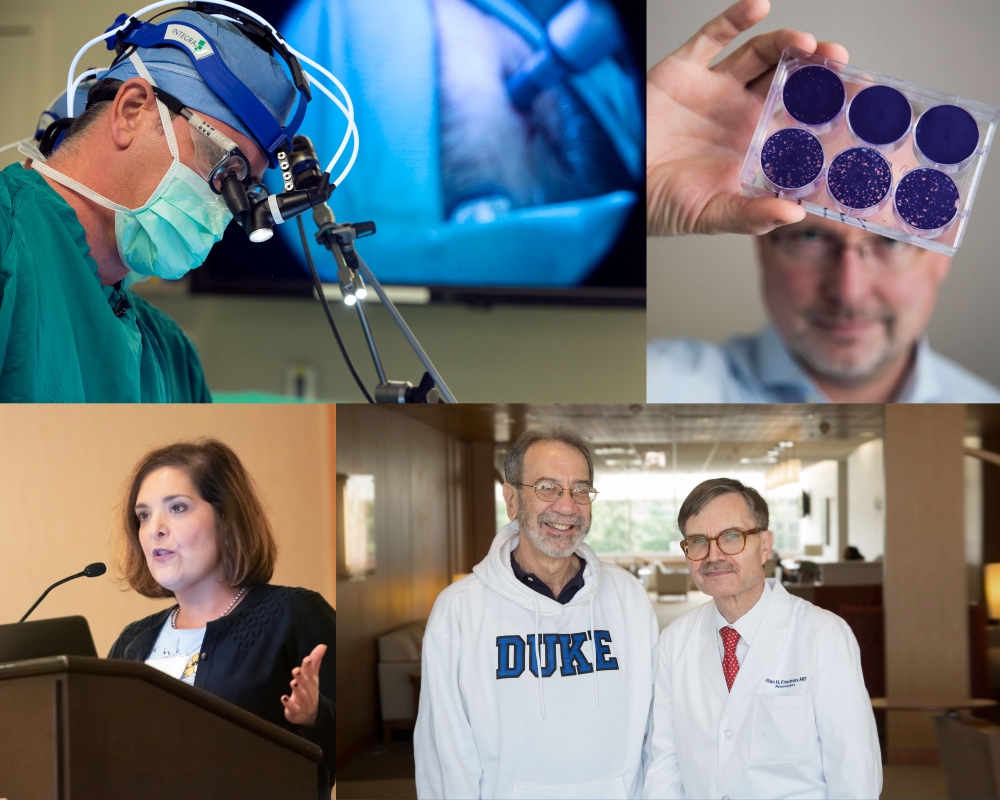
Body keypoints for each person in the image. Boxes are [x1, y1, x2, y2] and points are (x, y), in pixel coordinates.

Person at [645, 0, 1000, 402]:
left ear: (941, 255)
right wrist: (640, 173)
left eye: (891, 241)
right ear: (763, 243)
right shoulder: (668, 386)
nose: (848, 290)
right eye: (810, 237)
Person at [0, 9, 295, 401]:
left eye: (244, 187)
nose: (224, 208)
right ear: (131, 112)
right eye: (220, 165)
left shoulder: (172, 355)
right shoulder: (9, 241)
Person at [414, 427, 658, 799]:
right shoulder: (460, 610)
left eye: (580, 490)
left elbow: (656, 732)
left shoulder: (629, 599)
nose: (566, 506)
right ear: (511, 500)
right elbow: (444, 754)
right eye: (547, 487)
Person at [107, 439, 336, 797]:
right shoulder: (132, 642)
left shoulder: (293, 615)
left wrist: (315, 717)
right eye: (144, 515)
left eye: (178, 507)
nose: (155, 528)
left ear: (226, 519)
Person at [643, 478, 881, 799]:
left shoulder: (823, 635)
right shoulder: (675, 640)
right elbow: (665, 760)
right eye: (698, 541)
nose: (713, 555)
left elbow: (855, 773)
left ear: (764, 545)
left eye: (731, 537)